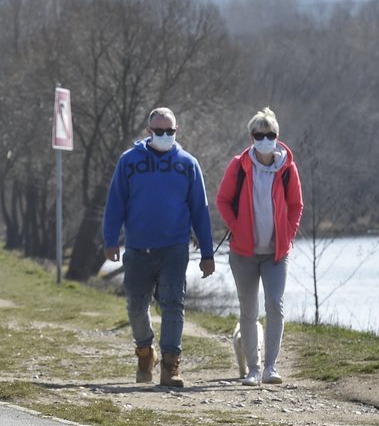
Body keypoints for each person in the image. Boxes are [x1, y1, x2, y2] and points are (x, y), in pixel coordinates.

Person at [102, 107, 215, 388]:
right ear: (148, 131)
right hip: (138, 247)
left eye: (170, 131)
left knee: (173, 303)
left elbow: (200, 209)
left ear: (176, 132)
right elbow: (115, 202)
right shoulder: (129, 162)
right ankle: (144, 352)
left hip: (174, 247)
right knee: (136, 306)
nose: (165, 135)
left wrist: (207, 253)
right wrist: (110, 239)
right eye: (159, 131)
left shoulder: (188, 164)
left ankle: (170, 365)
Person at [216, 108, 303, 387]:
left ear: (277, 136)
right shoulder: (239, 165)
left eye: (270, 134)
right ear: (251, 137)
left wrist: (287, 236)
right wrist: (238, 226)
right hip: (244, 253)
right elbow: (222, 200)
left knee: (275, 305)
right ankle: (253, 368)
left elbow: (296, 206)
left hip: (276, 253)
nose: (265, 139)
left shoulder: (287, 168)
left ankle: (270, 367)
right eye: (259, 135)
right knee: (248, 309)